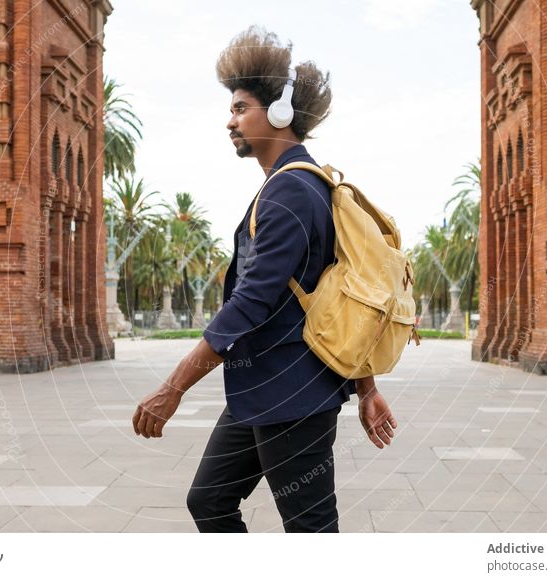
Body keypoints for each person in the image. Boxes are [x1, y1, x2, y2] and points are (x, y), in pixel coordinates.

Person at [132, 26, 398, 533]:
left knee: (310, 529)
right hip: (263, 391)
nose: (229, 120)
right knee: (209, 501)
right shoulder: (295, 186)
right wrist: (365, 390)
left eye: (239, 108)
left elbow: (251, 302)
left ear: (279, 112)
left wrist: (172, 388)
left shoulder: (292, 192)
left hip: (291, 394)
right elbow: (335, 287)